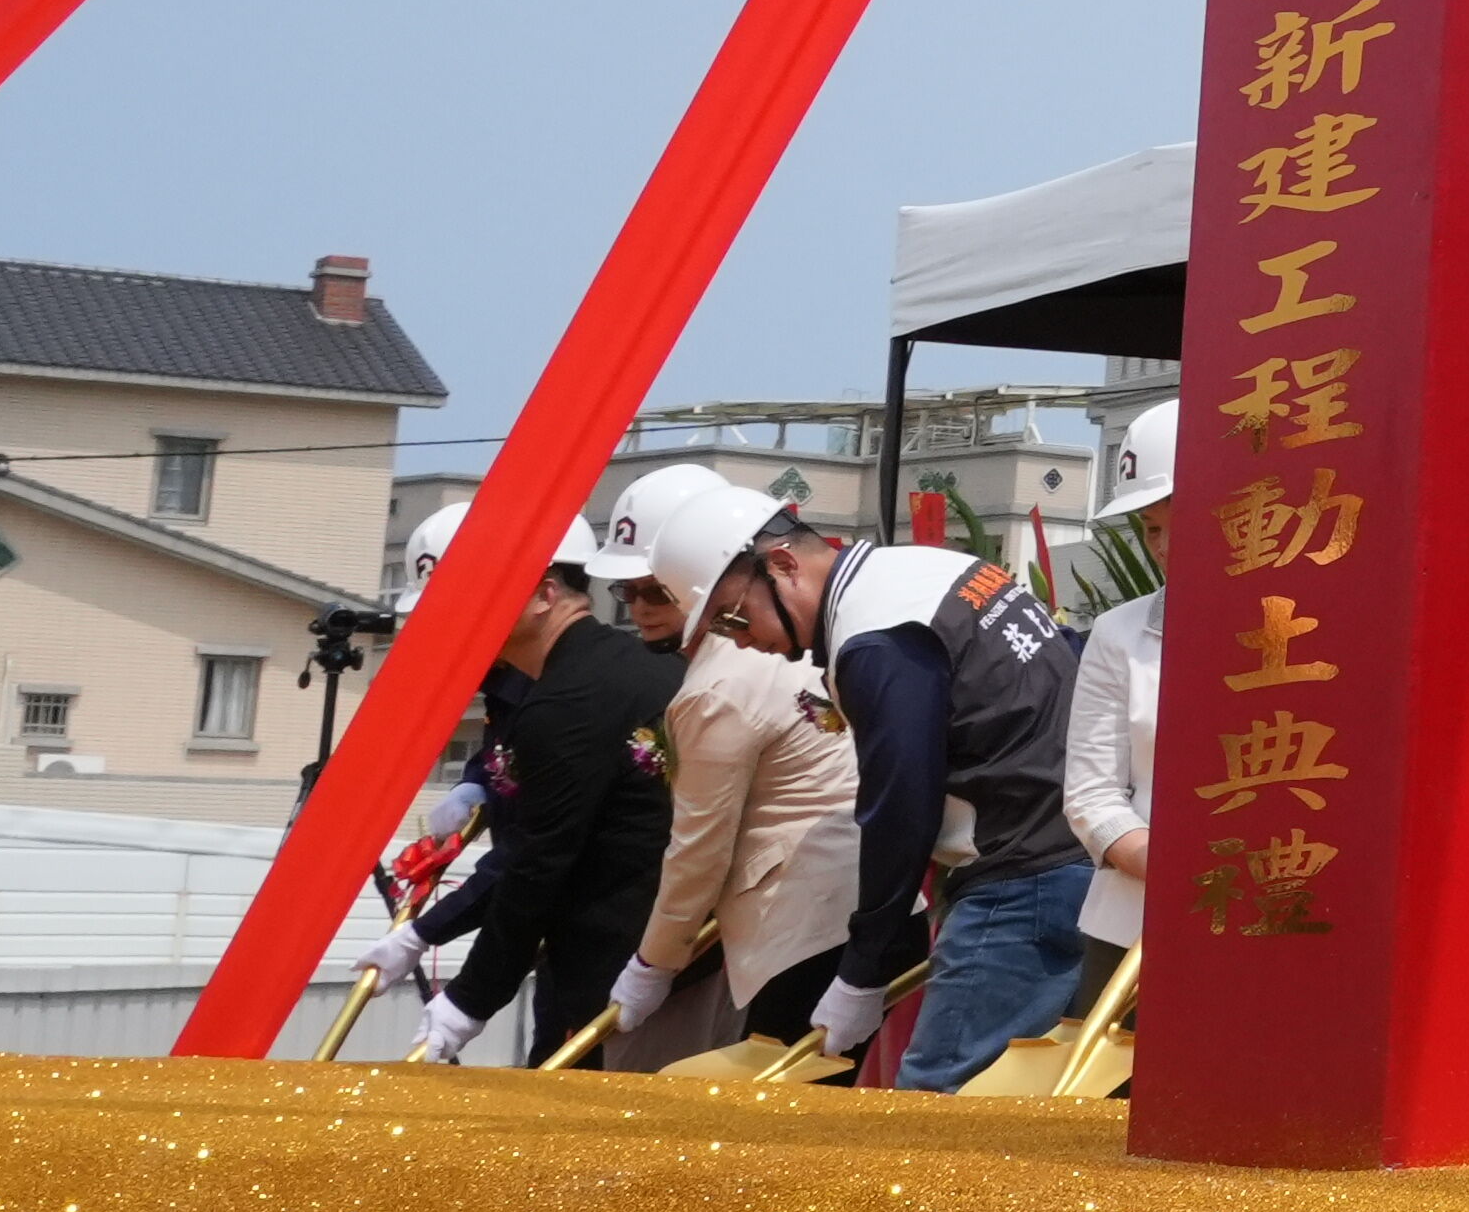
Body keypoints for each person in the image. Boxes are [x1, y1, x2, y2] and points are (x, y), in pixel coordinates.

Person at [656, 468, 1090, 1090]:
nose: (742, 642)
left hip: (1022, 876)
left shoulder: (875, 638)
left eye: (732, 618)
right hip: (1063, 853)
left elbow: (899, 807)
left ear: (781, 563)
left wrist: (861, 971)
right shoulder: (919, 572)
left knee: (934, 1107)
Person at [374, 501, 672, 1067]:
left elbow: (538, 864)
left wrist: (468, 999)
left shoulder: (570, 700)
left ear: (543, 594)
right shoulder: (589, 676)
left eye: (470, 596)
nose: (451, 619)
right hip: (611, 948)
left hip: (619, 958)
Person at [584, 464, 863, 1058]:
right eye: (625, 591)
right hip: (857, 908)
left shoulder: (717, 688)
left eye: (655, 589)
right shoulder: (801, 641)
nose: (638, 608)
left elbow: (698, 851)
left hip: (798, 929)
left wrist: (651, 964)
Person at [1051, 404, 1169, 1044]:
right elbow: (1092, 792)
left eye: (1185, 523)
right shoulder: (1119, 633)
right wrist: (1167, 866)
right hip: (1131, 926)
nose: (1165, 548)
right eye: (1152, 529)